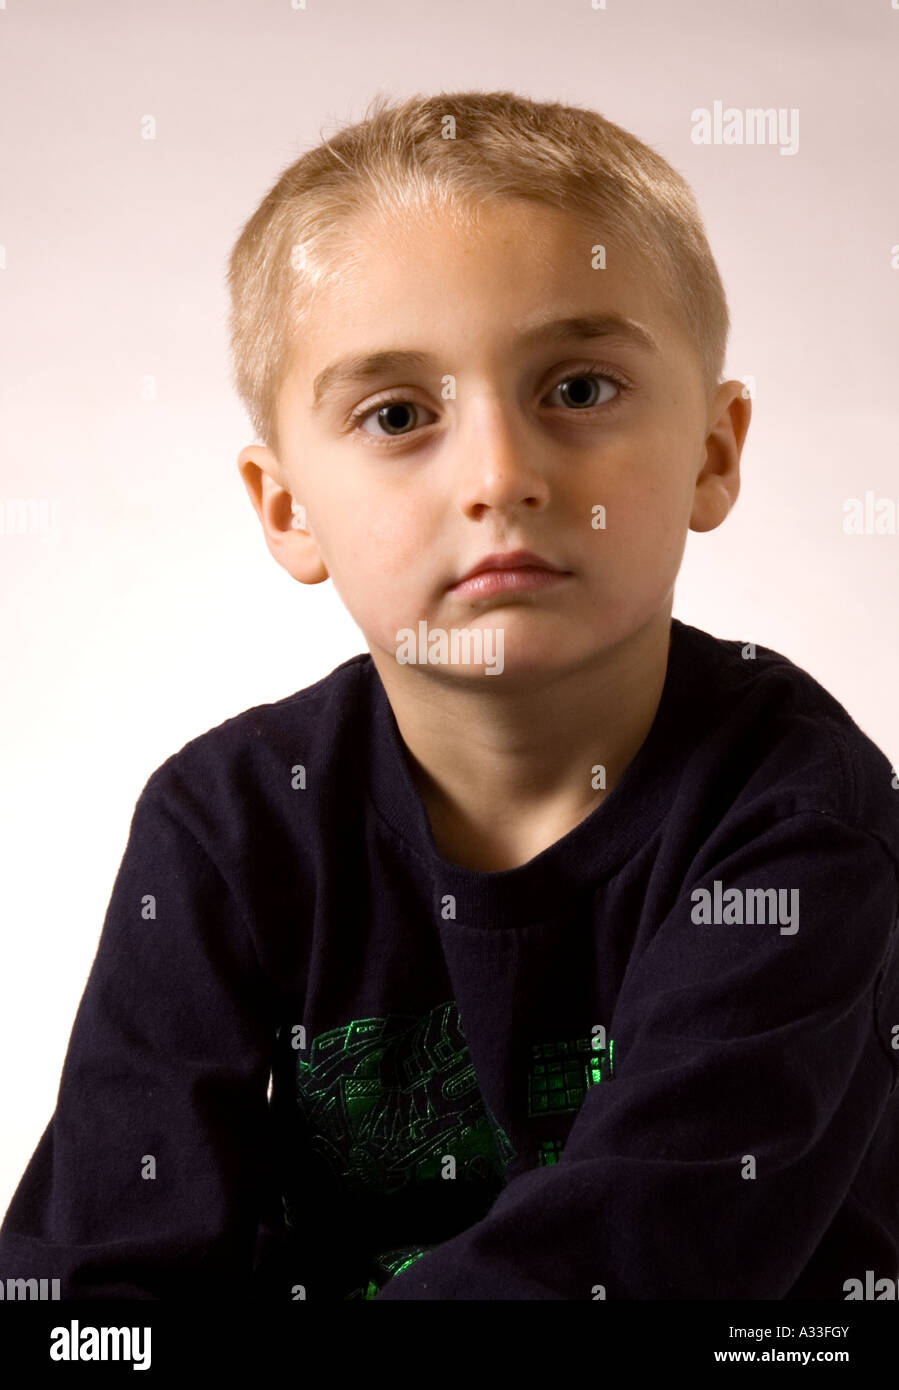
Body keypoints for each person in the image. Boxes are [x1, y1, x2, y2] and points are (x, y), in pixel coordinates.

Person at [1, 89, 897, 1302]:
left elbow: (643, 1264)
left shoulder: (799, 816)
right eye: (398, 414)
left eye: (577, 389)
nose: (498, 475)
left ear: (714, 451)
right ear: (285, 509)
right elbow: (102, 1280)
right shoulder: (224, 823)